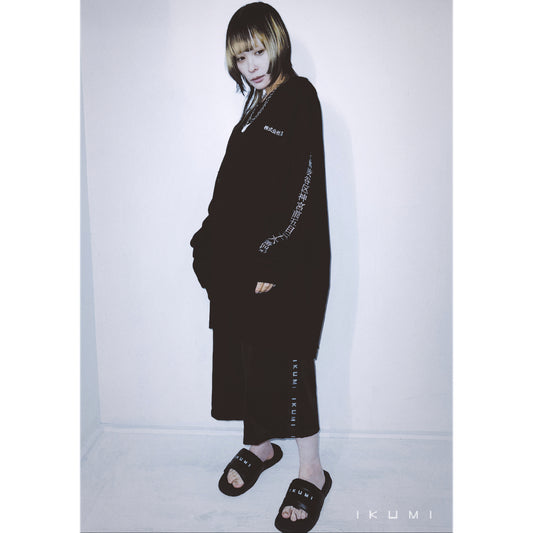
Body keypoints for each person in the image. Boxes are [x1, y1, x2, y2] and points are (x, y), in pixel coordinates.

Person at [190, 3, 331, 532]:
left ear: (277, 44)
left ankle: (312, 470)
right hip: (238, 262)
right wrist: (207, 239)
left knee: (287, 357)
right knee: (245, 354)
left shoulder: (299, 98)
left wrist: (275, 254)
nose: (250, 65)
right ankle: (261, 445)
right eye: (241, 56)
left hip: (280, 260)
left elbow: (302, 186)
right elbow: (233, 186)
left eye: (257, 51)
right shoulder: (254, 105)